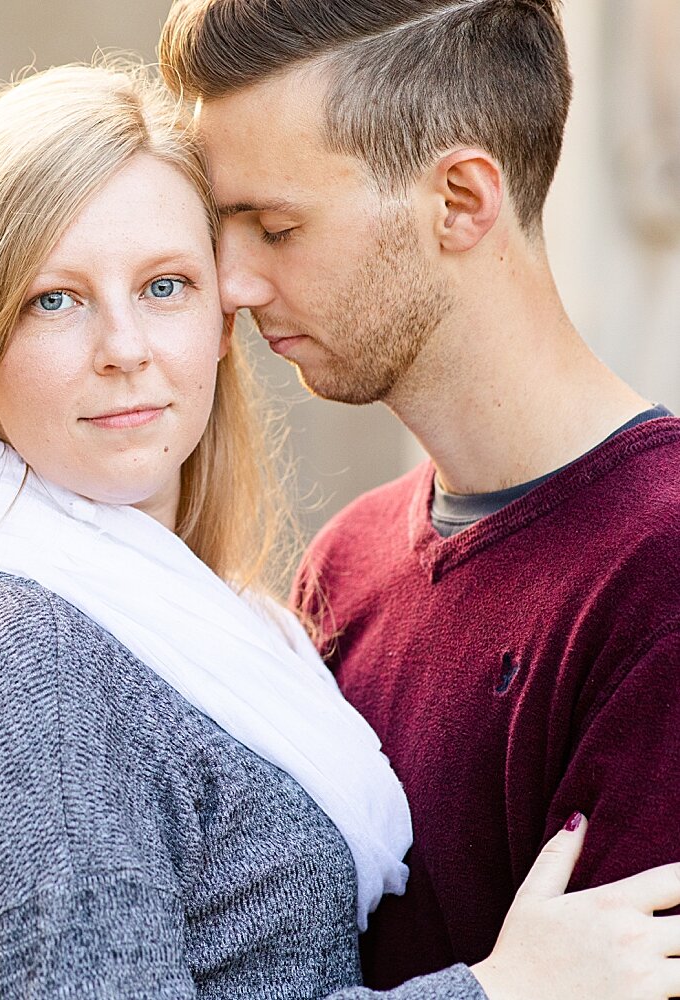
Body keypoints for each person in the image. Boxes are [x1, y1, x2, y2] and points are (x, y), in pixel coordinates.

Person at [0, 61, 680, 999]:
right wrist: (501, 991)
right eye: (53, 300)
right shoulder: (16, 658)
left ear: (221, 320)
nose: (124, 349)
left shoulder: (224, 628)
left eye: (165, 286)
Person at [159, 0, 680, 992]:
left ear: (459, 200)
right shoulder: (346, 562)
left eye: (274, 227)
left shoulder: (661, 572)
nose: (229, 281)